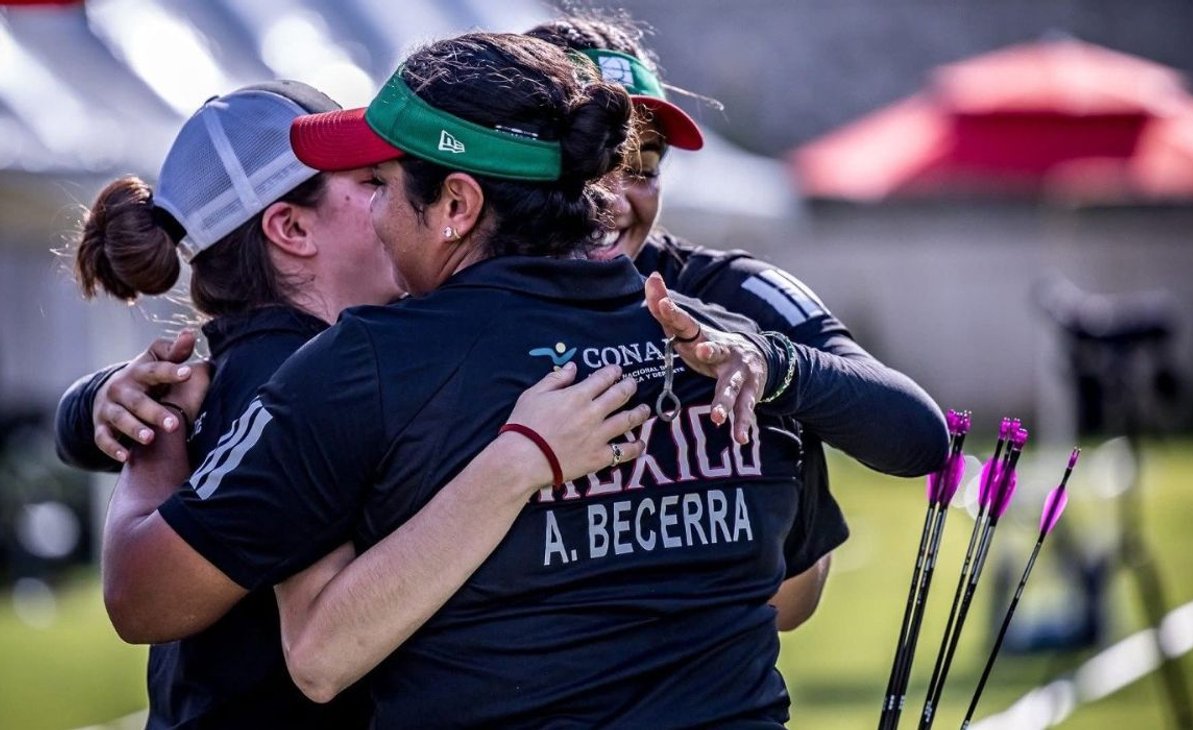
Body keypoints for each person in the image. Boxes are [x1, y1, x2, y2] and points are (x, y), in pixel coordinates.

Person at [108, 32, 865, 727]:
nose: (380, 207)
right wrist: (136, 425)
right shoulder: (718, 339)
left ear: (459, 205)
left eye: (387, 181)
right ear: (290, 230)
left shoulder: (358, 359)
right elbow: (209, 618)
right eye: (369, 180)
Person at [61, 79, 650, 729]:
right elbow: (141, 600)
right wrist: (154, 426)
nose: (401, 198)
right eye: (374, 182)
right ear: (290, 227)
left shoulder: (304, 359)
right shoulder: (296, 376)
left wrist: (96, 403)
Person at [526, 16, 950, 629]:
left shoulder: (733, 289)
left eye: (644, 168)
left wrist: (771, 365)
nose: (618, 200)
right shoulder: (457, 290)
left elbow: (916, 436)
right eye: (592, 166)